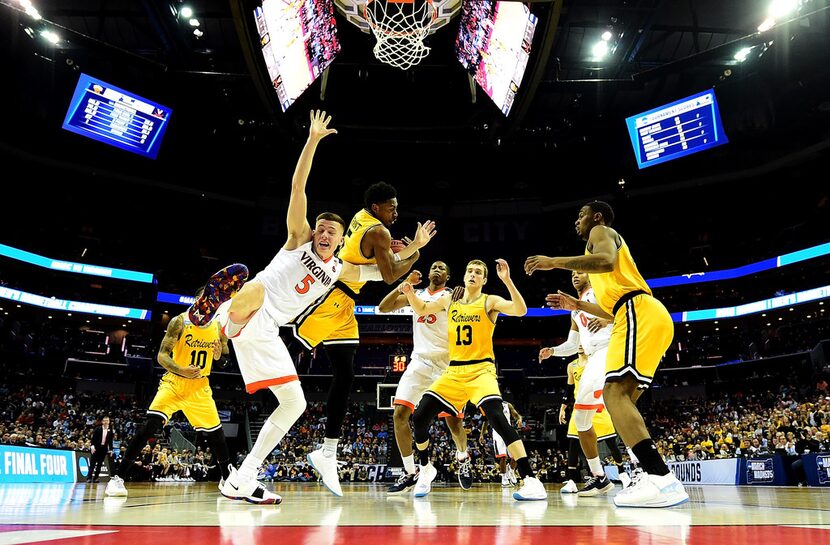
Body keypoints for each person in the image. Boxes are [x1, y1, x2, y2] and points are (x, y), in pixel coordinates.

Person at [188, 110, 431, 502]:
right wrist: (313, 139)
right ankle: (212, 318)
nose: (323, 234)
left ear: (338, 241)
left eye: (330, 232)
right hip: (254, 305)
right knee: (251, 282)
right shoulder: (298, 240)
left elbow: (381, 275)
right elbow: (297, 186)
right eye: (320, 228)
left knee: (295, 404)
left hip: (266, 331)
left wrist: (414, 248)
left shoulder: (338, 267)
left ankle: (242, 478)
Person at [525, 200, 688, 508]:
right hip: (633, 314)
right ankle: (651, 475)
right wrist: (577, 305)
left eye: (580, 214)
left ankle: (662, 480)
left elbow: (604, 261)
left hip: (637, 310)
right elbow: (607, 309)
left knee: (613, 395)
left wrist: (554, 261)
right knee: (621, 402)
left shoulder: (600, 232)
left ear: (596, 216)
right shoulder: (596, 261)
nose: (577, 220)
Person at [287, 181, 435, 497]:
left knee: (346, 376)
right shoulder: (379, 233)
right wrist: (416, 252)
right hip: (329, 296)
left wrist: (406, 251)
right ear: (377, 207)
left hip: (346, 302)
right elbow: (389, 275)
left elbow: (382, 265)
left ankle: (327, 453)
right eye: (392, 206)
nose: (397, 211)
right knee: (286, 359)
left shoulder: (362, 218)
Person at [403, 259, 547, 501]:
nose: (472, 274)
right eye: (469, 270)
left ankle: (531, 480)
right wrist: (409, 292)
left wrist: (508, 281)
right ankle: (426, 468)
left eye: (478, 272)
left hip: (481, 371)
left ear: (484, 279)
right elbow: (422, 309)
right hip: (454, 372)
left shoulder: (489, 300)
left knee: (499, 420)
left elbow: (520, 310)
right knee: (419, 417)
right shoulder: (451, 300)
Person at [105, 287, 233, 498]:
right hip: (174, 382)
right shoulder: (179, 321)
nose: (207, 301)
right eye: (203, 297)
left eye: (211, 298)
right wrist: (181, 369)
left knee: (217, 435)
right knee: (149, 427)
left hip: (200, 386)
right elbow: (162, 356)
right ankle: (117, 478)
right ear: (197, 298)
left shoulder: (218, 326)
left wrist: (221, 356)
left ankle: (227, 480)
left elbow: (226, 362)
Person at [377, 261, 471, 495]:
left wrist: (465, 293)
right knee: (399, 414)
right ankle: (411, 472)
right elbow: (383, 307)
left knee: (454, 422)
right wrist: (403, 285)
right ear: (428, 273)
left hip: (447, 364)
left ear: (448, 276)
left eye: (442, 268)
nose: (437, 269)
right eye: (435, 266)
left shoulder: (452, 296)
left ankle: (463, 457)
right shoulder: (415, 293)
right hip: (419, 361)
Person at [537, 270, 615, 497]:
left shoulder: (601, 291)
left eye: (580, 271)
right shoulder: (574, 309)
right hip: (593, 358)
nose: (575, 276)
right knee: (581, 419)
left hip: (609, 350)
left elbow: (624, 311)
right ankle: (600, 477)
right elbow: (573, 344)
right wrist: (553, 350)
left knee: (617, 408)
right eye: (572, 273)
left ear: (590, 275)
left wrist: (607, 317)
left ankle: (643, 470)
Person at [552, 347, 626, 494]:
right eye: (578, 342)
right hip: (580, 406)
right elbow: (569, 389)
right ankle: (572, 481)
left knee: (611, 442)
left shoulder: (595, 363)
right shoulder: (571, 366)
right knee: (573, 442)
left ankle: (623, 474)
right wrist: (562, 408)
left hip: (597, 404)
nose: (580, 345)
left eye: (582, 342)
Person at [479, 401, 522, 487]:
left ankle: (511, 470)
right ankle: (504, 477)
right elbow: (485, 422)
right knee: (503, 457)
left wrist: (519, 419)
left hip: (509, 431)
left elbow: (517, 415)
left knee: (517, 455)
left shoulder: (507, 405)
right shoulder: (490, 407)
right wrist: (481, 434)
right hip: (497, 433)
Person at [88, 415, 113, 483]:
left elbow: (110, 441)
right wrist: (92, 446)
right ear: (102, 422)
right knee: (92, 464)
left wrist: (111, 449)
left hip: (103, 449)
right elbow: (93, 438)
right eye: (104, 421)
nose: (106, 422)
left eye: (107, 421)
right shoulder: (98, 429)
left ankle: (96, 478)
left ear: (109, 422)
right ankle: (89, 478)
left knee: (99, 464)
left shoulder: (110, 431)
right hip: (96, 448)